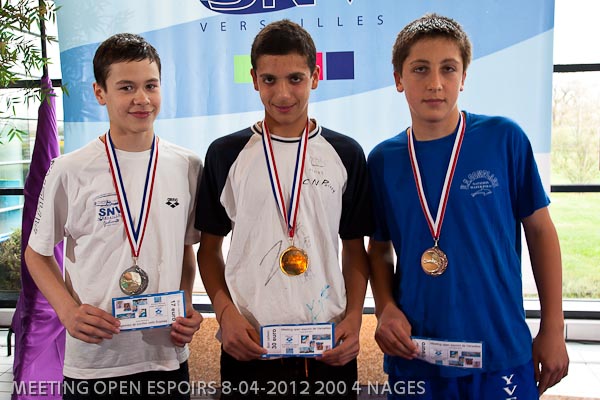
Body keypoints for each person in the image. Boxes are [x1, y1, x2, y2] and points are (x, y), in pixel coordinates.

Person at [367, 13, 569, 400]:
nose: (435, 83)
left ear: (463, 77)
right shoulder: (383, 160)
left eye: (448, 69)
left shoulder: (503, 138)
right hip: (416, 353)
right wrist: (385, 307)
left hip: (499, 350)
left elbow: (541, 230)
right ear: (398, 78)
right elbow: (379, 249)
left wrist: (553, 327)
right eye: (420, 69)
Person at [195, 19, 372, 399]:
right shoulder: (226, 154)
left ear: (315, 77)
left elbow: (354, 248)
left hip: (327, 343)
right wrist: (225, 313)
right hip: (250, 340)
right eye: (269, 80)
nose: (283, 93)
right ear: (254, 79)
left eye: (295, 78)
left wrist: (355, 317)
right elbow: (208, 251)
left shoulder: (346, 153)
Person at [25, 33, 203, 399]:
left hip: (166, 356)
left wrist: (185, 302)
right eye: (126, 87)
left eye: (150, 85)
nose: (142, 99)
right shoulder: (69, 170)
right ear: (100, 93)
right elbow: (36, 253)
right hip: (95, 359)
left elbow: (185, 249)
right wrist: (67, 312)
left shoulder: (187, 165)